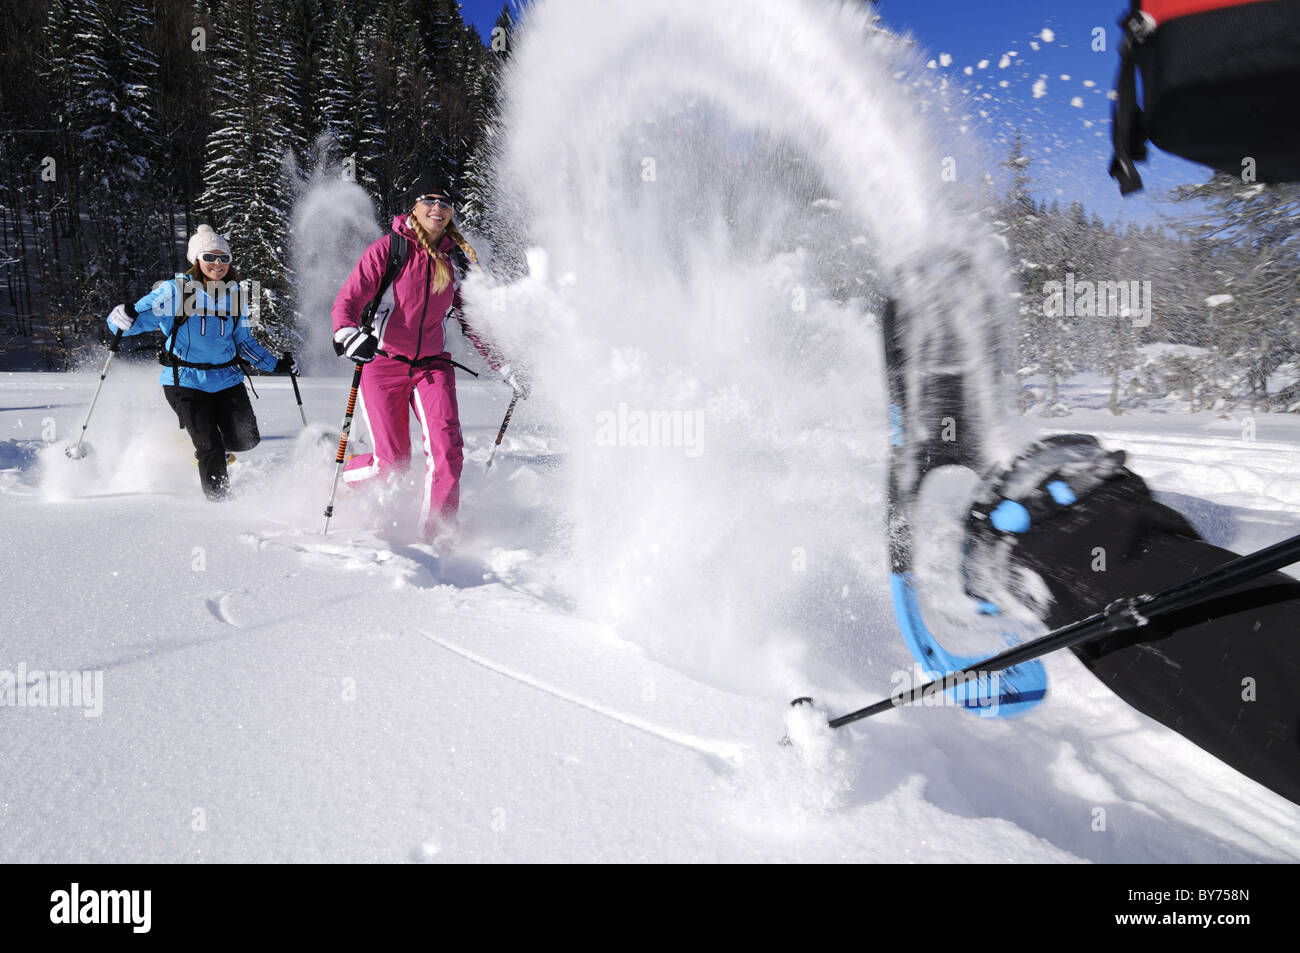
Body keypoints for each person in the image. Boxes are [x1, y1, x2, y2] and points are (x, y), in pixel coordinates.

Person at [330, 172, 524, 544]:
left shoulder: (457, 262)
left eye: (445, 201)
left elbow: (473, 323)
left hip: (432, 367)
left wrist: (506, 366)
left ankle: (438, 537)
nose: (438, 207)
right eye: (429, 200)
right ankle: (346, 478)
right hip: (383, 363)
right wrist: (347, 333)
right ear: (414, 207)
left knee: (448, 452)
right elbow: (348, 299)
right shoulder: (390, 249)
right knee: (392, 465)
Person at [106, 224, 296, 500]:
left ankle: (195, 444)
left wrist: (275, 365)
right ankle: (219, 507)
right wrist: (119, 317)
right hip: (185, 381)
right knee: (211, 447)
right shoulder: (175, 291)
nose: (217, 264)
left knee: (246, 440)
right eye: (209, 257)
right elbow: (133, 321)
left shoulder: (238, 295)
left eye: (223, 258)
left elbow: (243, 341)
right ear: (196, 260)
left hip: (227, 378)